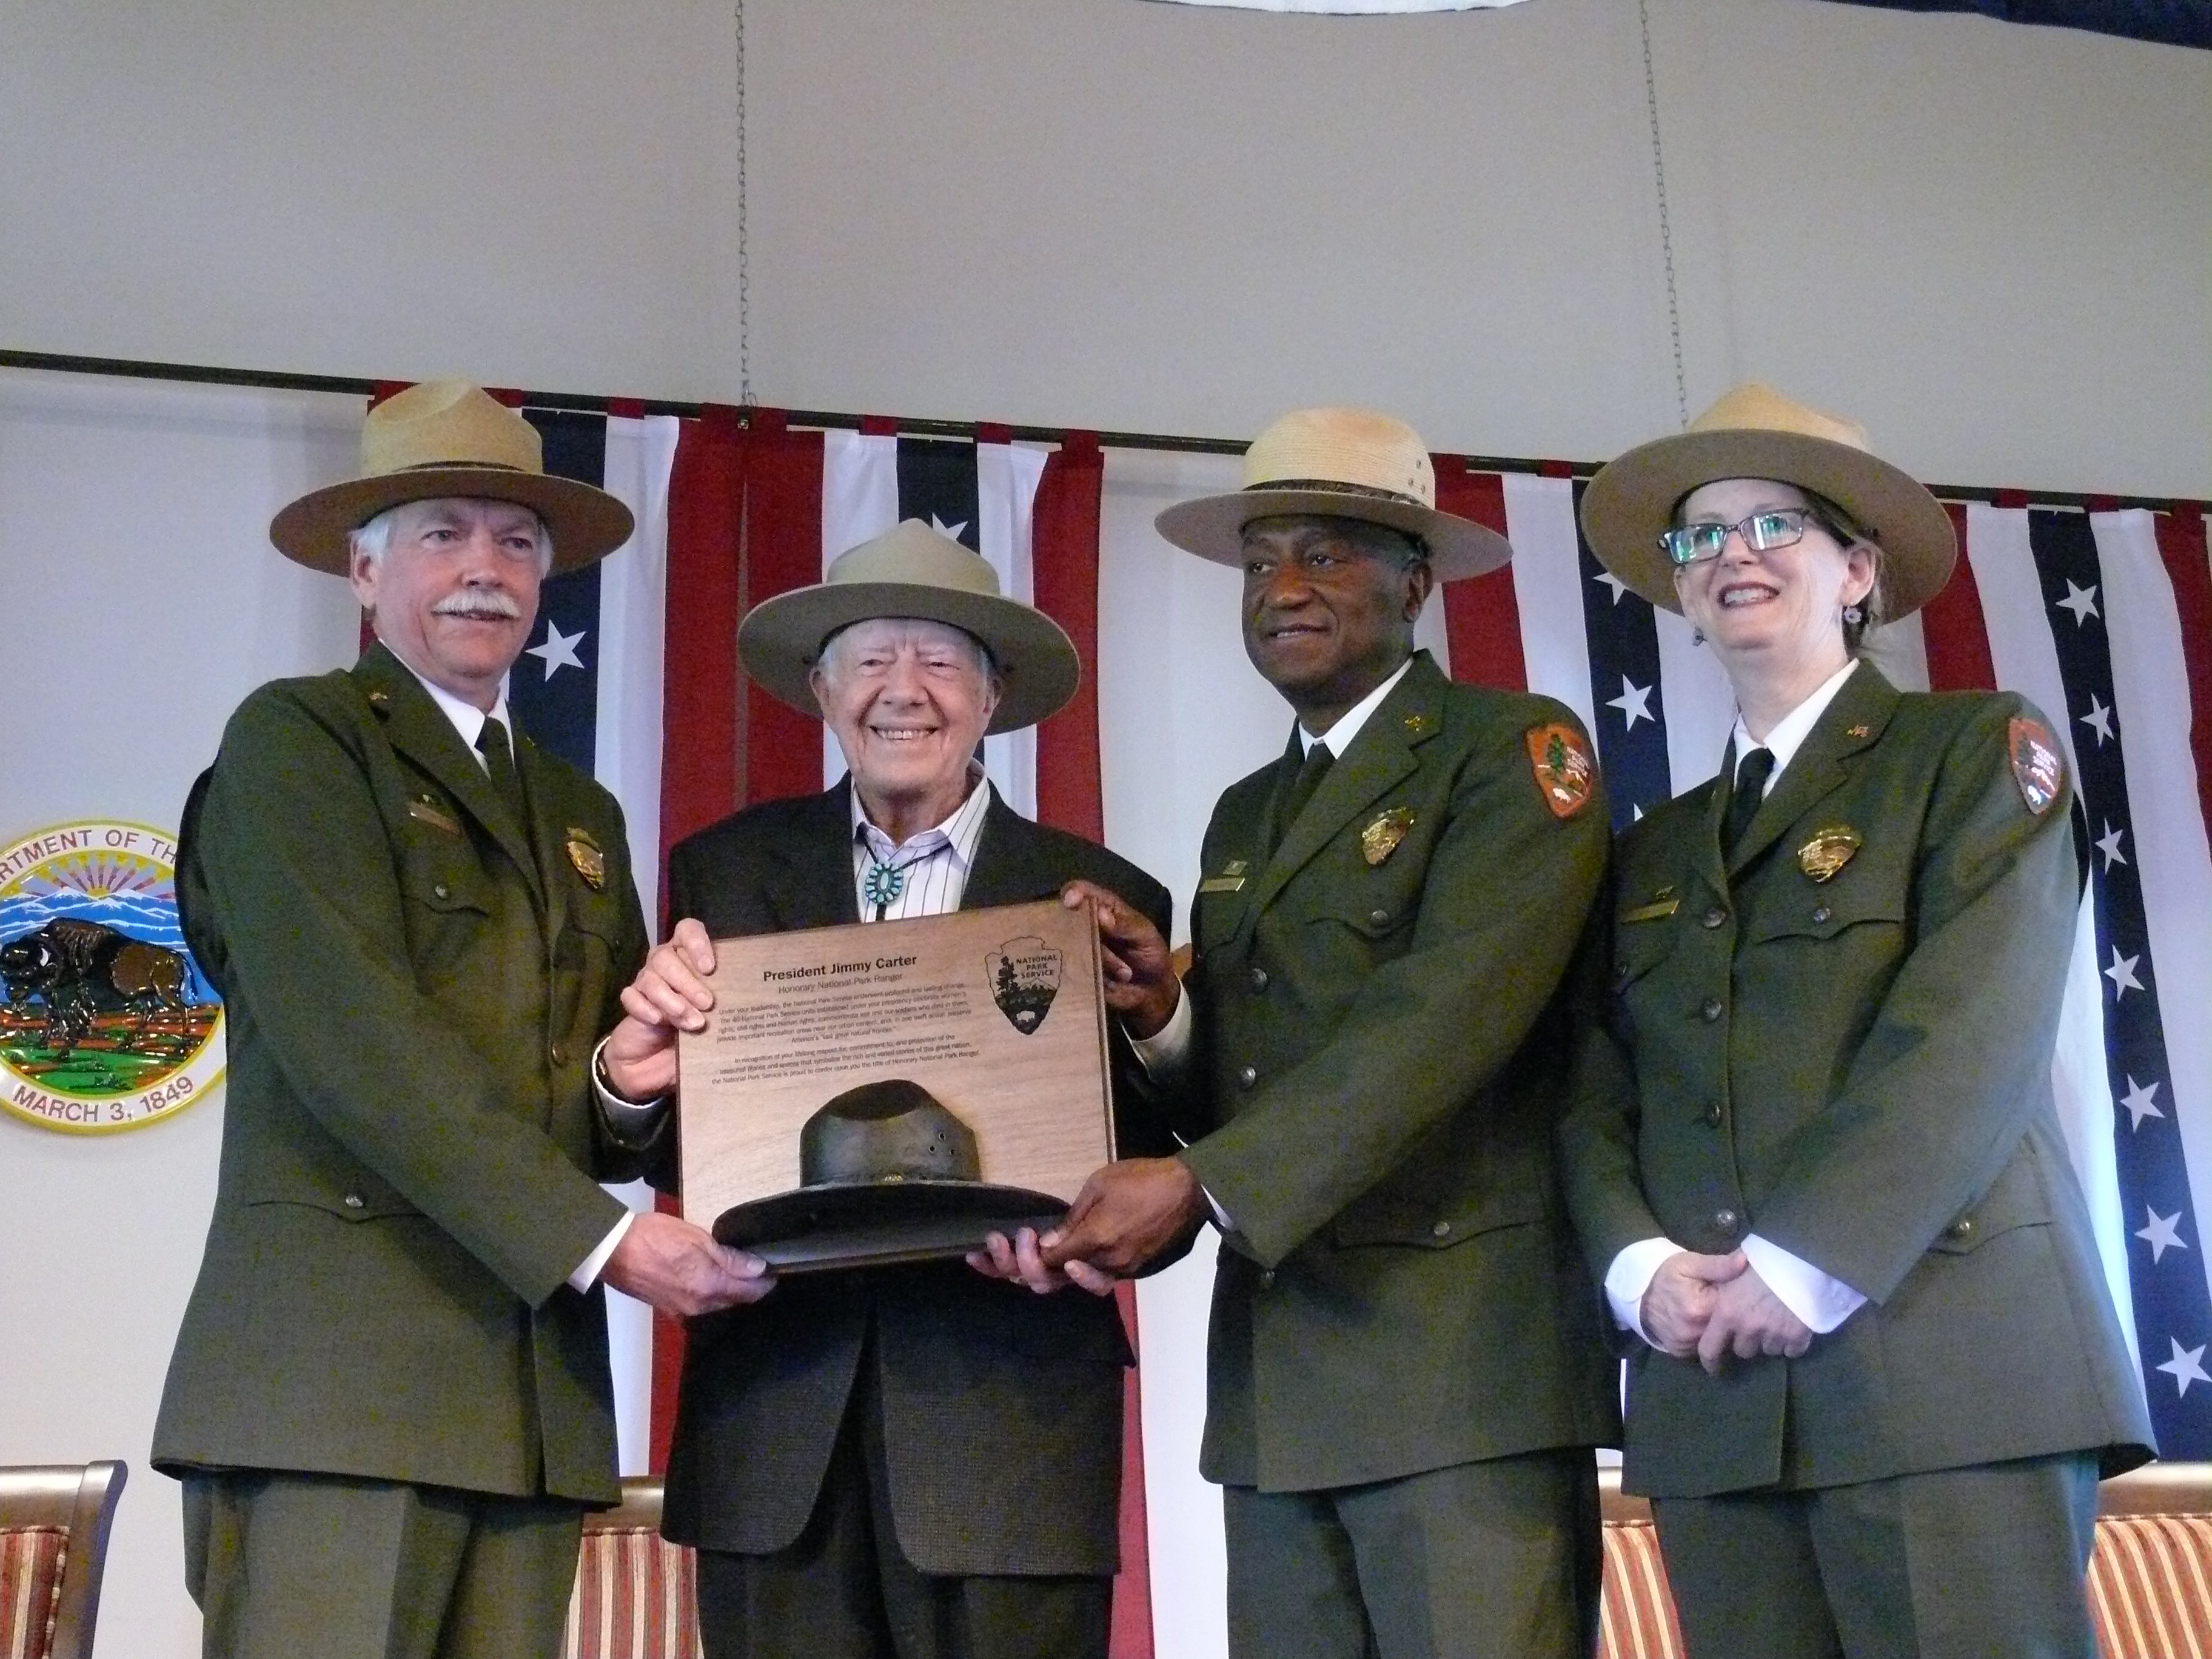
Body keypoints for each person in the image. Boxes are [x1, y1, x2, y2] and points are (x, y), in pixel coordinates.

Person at [152, 381, 770, 1659]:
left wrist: (630, 1077)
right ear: (363, 572)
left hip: (523, 1400)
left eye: (517, 542)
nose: (485, 570)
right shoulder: (300, 743)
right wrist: (605, 1246)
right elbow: (355, 1047)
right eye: (443, 534)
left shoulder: (576, 810)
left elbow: (580, 1095)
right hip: (339, 1392)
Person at [1560, 383, 2154, 1658]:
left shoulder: (1973, 753)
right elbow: (1594, 1086)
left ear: (1857, 571)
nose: (1733, 556)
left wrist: (1804, 1260)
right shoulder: (1654, 848)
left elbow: (1967, 1034)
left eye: (1774, 525)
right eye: (1701, 535)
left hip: (1945, 1374)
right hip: (1717, 1393)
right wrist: (1639, 1270)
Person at [1038, 408, 1619, 1659]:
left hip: (1460, 1369)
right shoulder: (1253, 812)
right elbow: (1256, 1064)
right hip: (1288, 1371)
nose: (1282, 590)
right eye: (1259, 564)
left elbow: (1441, 1024)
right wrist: (1166, 1013)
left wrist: (1199, 1185)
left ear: (1416, 581)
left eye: (1326, 556)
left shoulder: (1512, 752)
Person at [598, 517, 1183, 1659]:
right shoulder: (720, 872)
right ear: (821, 687)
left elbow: (1153, 1187)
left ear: (993, 693)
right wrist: (634, 1088)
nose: (901, 691)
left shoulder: (1098, 898)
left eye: (940, 660)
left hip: (1011, 1441)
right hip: (778, 1433)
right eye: (870, 659)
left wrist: (1086, 1239)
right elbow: (693, 1151)